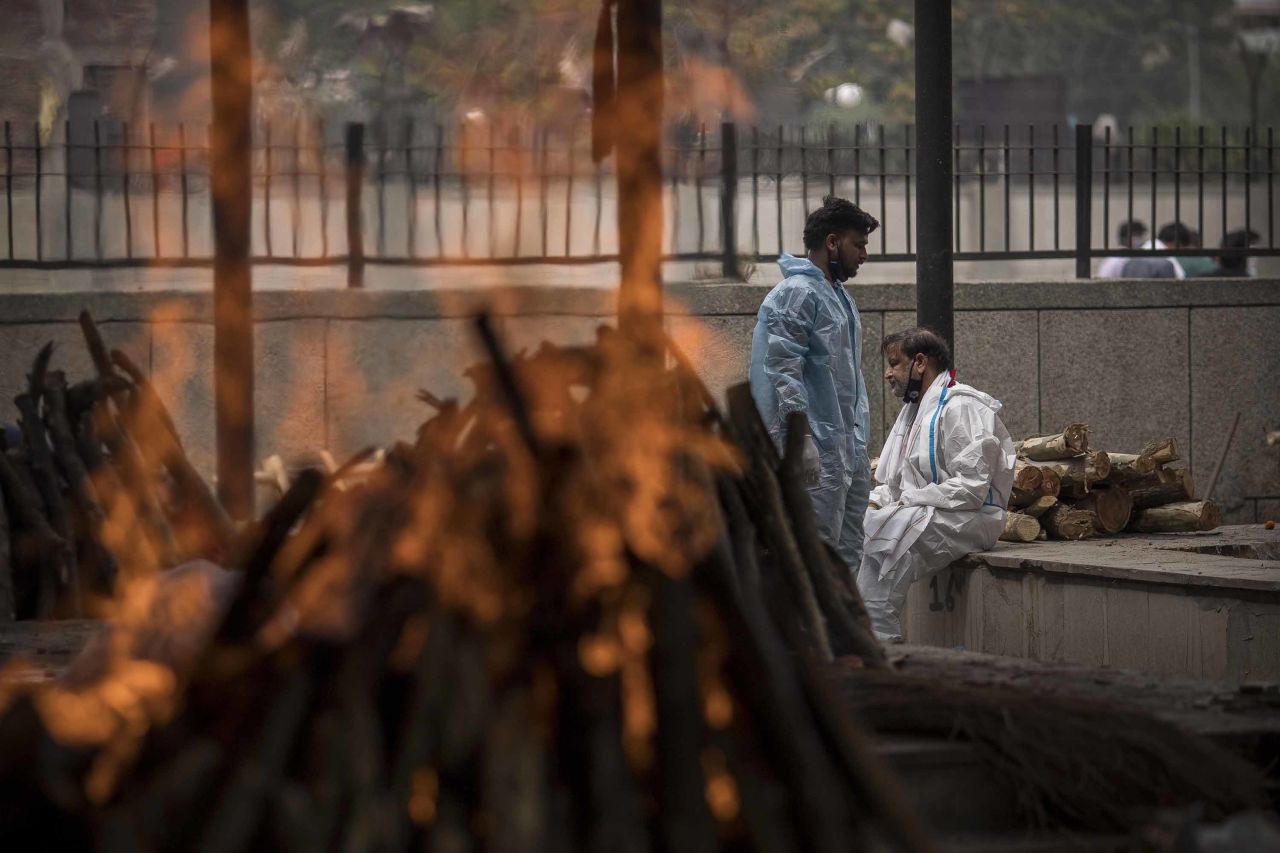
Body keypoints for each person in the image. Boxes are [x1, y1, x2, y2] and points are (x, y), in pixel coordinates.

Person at [856, 327, 1015, 642]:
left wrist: (909, 501)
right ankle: (861, 631)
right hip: (932, 509)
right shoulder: (914, 412)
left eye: (894, 363)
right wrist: (873, 502)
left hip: (975, 515)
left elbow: (972, 488)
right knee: (862, 524)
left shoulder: (961, 405)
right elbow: (897, 483)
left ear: (919, 362)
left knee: (893, 531)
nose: (887, 374)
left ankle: (879, 636)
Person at [749, 195, 879, 574]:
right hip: (813, 449)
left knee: (847, 550)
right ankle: (808, 632)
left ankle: (837, 631)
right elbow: (782, 369)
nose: (864, 255)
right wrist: (800, 437)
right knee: (813, 553)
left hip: (843, 449)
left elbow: (847, 379)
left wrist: (856, 443)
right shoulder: (796, 294)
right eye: (859, 244)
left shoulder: (840, 298)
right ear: (832, 242)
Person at [1119, 221, 1190, 278]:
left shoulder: (1135, 256)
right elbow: (1180, 279)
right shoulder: (1167, 260)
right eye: (1182, 248)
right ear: (1176, 243)